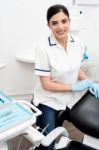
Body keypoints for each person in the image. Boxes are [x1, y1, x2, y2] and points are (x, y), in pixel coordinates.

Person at [32, 4, 99, 150]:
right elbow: (46, 85)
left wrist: (89, 82)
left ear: (69, 21)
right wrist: (74, 87)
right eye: (54, 23)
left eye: (64, 21)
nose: (60, 27)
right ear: (48, 25)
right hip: (48, 99)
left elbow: (77, 69)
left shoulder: (78, 43)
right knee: (46, 145)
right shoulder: (43, 48)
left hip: (69, 98)